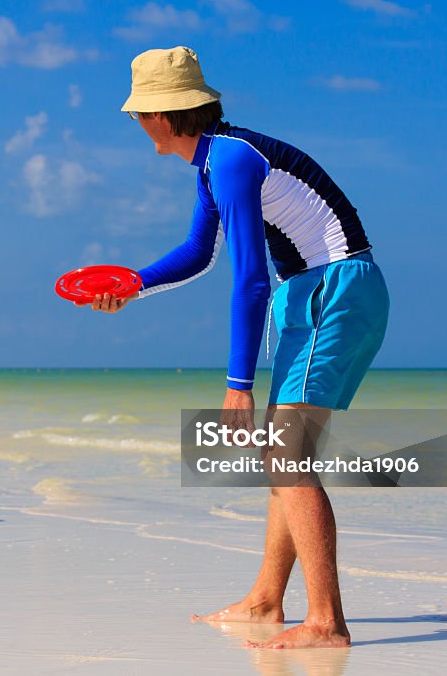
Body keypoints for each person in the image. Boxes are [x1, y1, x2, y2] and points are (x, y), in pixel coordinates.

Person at [89, 47, 389, 649]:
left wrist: (236, 382)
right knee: (288, 453)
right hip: (316, 294)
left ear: (166, 114)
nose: (137, 125)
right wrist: (132, 285)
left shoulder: (228, 160)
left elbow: (250, 278)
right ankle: (265, 600)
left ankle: (327, 622)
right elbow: (201, 252)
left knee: (288, 455)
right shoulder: (213, 162)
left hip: (336, 292)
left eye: (139, 114)